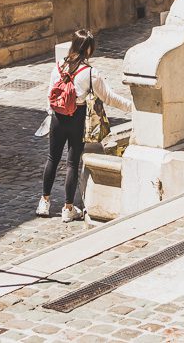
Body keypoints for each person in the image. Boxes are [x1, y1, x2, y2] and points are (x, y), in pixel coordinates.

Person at [36, 27, 132, 221]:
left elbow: (49, 95)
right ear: (88, 49)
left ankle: (44, 203)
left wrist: (52, 113)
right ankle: (68, 208)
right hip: (77, 119)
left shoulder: (58, 67)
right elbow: (108, 97)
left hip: (57, 118)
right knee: (72, 163)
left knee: (52, 159)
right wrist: (131, 107)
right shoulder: (90, 73)